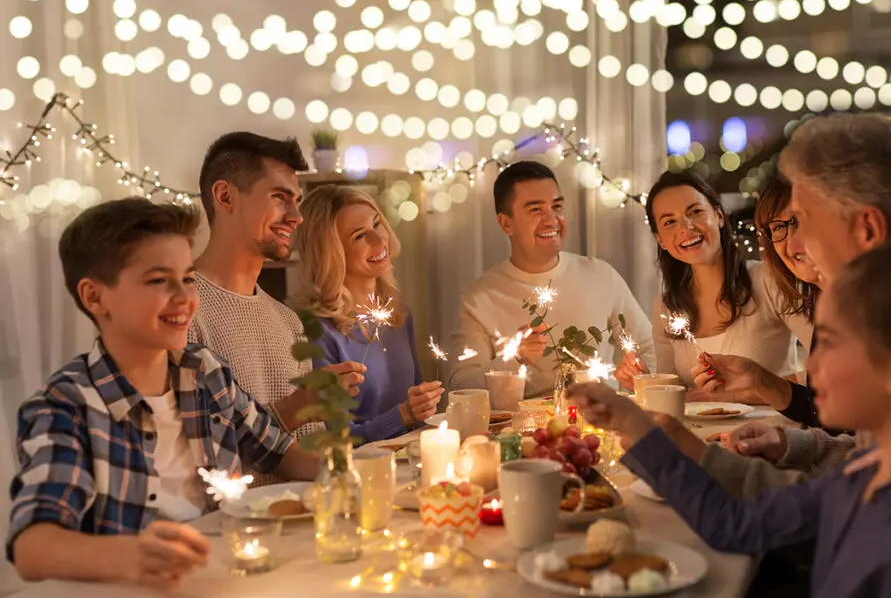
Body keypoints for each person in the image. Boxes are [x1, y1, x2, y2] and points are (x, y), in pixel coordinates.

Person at [569, 238, 891, 598]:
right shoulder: (867, 474)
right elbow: (737, 525)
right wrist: (633, 426)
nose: (811, 365)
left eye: (830, 343)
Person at [8, 198, 320, 588]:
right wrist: (131, 554)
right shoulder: (67, 407)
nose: (185, 298)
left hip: (222, 584)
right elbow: (33, 547)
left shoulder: (203, 370)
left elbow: (279, 453)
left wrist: (350, 475)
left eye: (188, 278)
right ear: (94, 297)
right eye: (159, 281)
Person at [188, 132, 364, 476]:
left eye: (296, 200)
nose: (296, 216)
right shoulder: (180, 313)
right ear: (225, 196)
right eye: (280, 197)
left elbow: (304, 451)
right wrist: (295, 406)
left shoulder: (287, 321)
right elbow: (195, 452)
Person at [450, 160, 654, 397]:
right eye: (536, 210)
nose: (552, 220)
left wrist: (641, 380)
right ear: (506, 224)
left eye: (557, 207)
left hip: (602, 423)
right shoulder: (479, 298)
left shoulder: (600, 275)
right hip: (523, 430)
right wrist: (515, 357)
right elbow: (461, 383)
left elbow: (648, 346)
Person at [615, 171, 812, 392]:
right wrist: (645, 383)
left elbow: (827, 370)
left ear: (719, 216)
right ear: (660, 240)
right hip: (695, 428)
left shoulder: (769, 280)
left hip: (773, 426)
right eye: (669, 221)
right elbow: (679, 394)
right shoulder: (667, 308)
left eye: (696, 211)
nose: (685, 227)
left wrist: (751, 389)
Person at [291, 185, 443, 443]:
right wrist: (404, 415)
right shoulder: (316, 332)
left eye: (377, 224)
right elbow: (333, 437)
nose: (379, 239)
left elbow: (415, 403)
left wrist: (424, 405)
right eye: (360, 236)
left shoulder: (399, 314)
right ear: (331, 254)